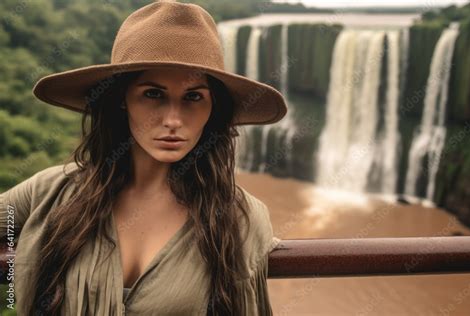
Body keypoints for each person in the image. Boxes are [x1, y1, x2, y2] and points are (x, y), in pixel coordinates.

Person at [0, 1, 287, 315]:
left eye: (193, 97)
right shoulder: (51, 193)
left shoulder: (240, 220)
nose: (173, 119)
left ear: (213, 108)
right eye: (153, 94)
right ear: (122, 99)